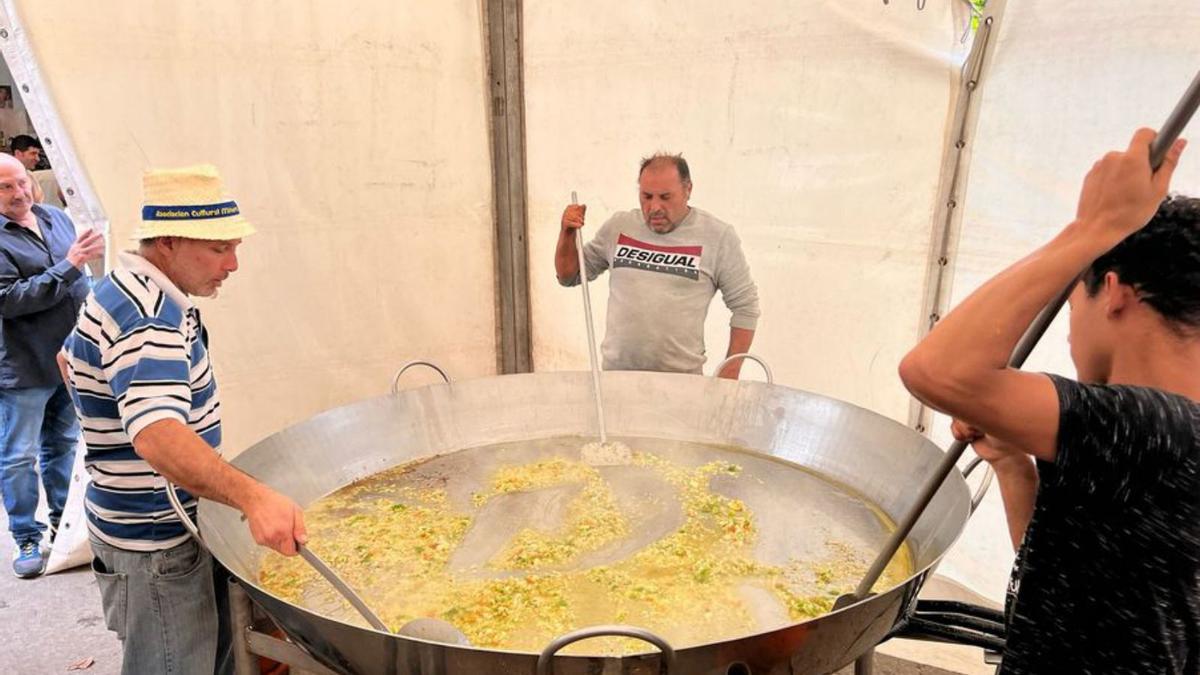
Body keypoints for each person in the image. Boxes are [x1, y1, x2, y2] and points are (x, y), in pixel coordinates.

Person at [899, 129, 1198, 673]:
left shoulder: (1152, 425)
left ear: (1112, 293)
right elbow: (1062, 580)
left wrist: (1093, 228)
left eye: (1070, 301)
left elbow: (933, 371)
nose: (1065, 334)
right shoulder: (1154, 437)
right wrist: (1014, 468)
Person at [61, 164, 307, 674]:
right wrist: (255, 497)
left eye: (234, 247)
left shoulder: (117, 287)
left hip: (132, 522)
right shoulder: (150, 315)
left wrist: (104, 424)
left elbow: (67, 358)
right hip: (155, 546)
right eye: (219, 249)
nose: (233, 264)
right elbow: (158, 436)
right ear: (168, 242)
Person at [554, 154, 760, 378]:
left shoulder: (717, 236)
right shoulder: (619, 227)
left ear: (688, 189)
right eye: (646, 196)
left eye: (665, 197)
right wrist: (567, 233)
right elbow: (570, 275)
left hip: (681, 382)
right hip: (617, 379)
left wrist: (729, 372)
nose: (654, 207)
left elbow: (745, 307)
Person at [0, 153, 101, 578]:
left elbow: (82, 283)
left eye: (21, 182)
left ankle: (64, 523)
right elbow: (9, 299)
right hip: (23, 367)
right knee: (18, 457)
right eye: (6, 187)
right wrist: (70, 264)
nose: (19, 192)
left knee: (62, 445)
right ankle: (26, 535)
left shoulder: (55, 218)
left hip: (67, 358)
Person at [9, 135, 45, 203]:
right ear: (18, 153)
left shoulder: (29, 174)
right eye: (33, 153)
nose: (38, 159)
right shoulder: (5, 176)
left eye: (38, 154)